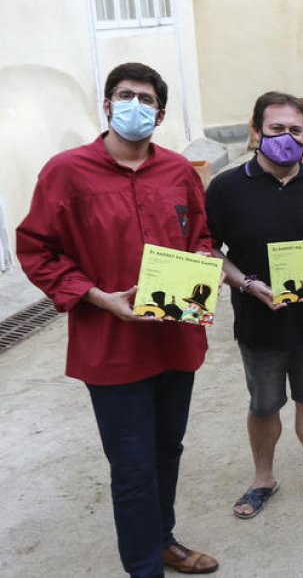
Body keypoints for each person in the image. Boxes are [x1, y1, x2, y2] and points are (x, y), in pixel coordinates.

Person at [16, 62, 219, 576]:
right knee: (132, 468)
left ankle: (164, 539)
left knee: (167, 451)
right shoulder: (66, 172)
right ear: (107, 105)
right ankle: (143, 565)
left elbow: (200, 235)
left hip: (175, 338)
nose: (136, 106)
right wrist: (94, 295)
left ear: (161, 113)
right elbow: (37, 249)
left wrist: (204, 266)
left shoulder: (177, 171)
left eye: (146, 99)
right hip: (110, 346)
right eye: (126, 96)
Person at [206, 91, 303, 519]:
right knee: (264, 405)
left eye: (295, 130)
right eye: (276, 129)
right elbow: (210, 249)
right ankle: (263, 478)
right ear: (256, 131)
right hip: (258, 319)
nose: (286, 138)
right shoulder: (227, 187)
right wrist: (247, 283)